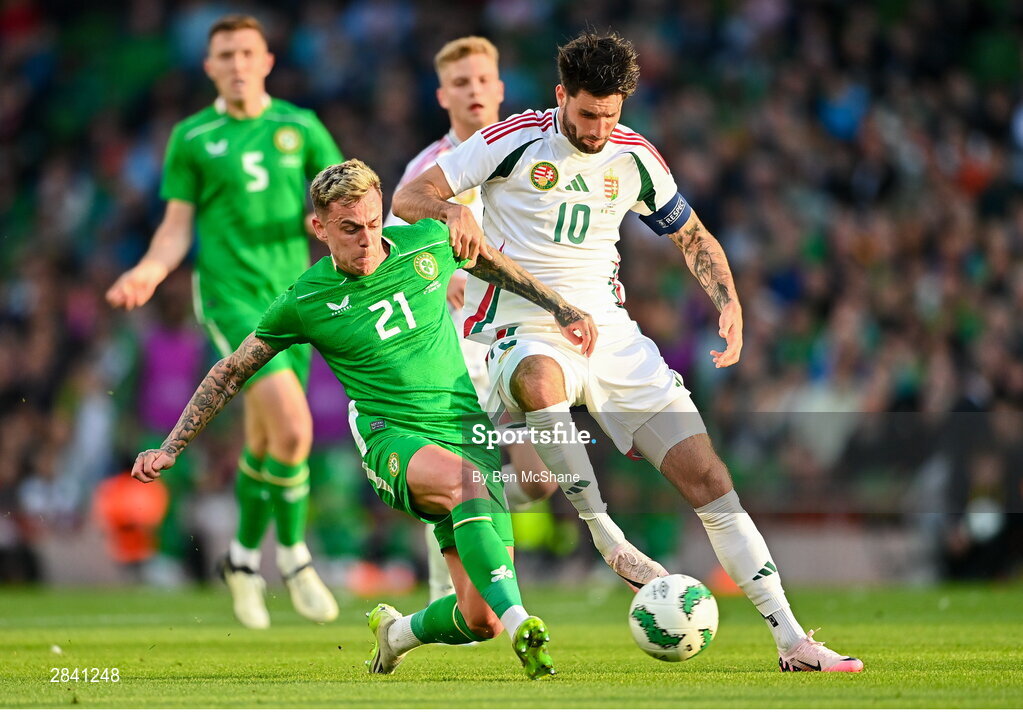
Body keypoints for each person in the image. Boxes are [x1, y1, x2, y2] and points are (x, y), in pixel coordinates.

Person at [392, 31, 864, 672]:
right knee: (538, 378)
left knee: (710, 479)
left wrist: (728, 300)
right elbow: (410, 196)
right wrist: (453, 213)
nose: (597, 130)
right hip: (519, 327)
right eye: (587, 115)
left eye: (610, 116)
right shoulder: (513, 140)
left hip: (612, 336)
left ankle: (793, 640)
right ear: (563, 97)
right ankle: (603, 533)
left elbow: (692, 235)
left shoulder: (635, 157)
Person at [130, 158, 598, 679]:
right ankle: (524, 626)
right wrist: (170, 446)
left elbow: (490, 264)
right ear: (319, 228)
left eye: (374, 223)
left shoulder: (426, 244)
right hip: (392, 441)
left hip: (467, 438)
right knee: (468, 497)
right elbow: (231, 370)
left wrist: (561, 308)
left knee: (477, 617)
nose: (367, 240)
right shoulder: (305, 300)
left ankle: (397, 635)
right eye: (350, 229)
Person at [387, 35, 666, 599]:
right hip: (456, 347)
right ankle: (453, 569)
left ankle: (468, 511)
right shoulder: (428, 169)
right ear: (443, 95)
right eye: (460, 83)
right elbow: (395, 255)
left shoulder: (523, 147)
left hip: (519, 330)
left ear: (499, 87)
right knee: (462, 466)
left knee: (537, 479)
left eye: (482, 80)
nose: (473, 91)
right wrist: (439, 281)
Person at [106, 14, 341, 629]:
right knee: (292, 426)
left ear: (266, 60)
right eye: (225, 54)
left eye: (247, 52)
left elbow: (342, 203)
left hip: (293, 299)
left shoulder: (300, 127)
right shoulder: (193, 136)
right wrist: (151, 272)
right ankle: (292, 556)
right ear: (209, 66)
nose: (237, 63)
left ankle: (240, 559)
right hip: (232, 301)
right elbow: (177, 224)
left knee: (269, 441)